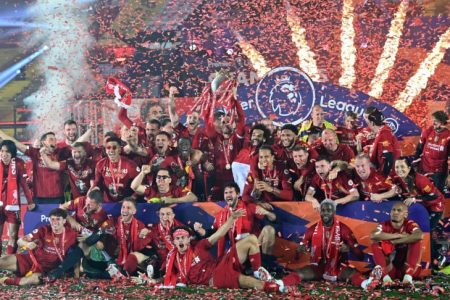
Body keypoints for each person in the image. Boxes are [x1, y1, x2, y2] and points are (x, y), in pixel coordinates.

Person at [163, 213, 289, 293]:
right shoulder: (172, 259)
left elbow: (218, 234)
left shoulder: (199, 246)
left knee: (252, 239)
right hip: (216, 278)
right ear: (174, 242)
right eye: (178, 239)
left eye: (183, 238)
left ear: (188, 239)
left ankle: (257, 271)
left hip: (221, 264)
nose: (180, 240)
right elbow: (166, 275)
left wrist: (231, 219)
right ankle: (276, 286)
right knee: (251, 283)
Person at [294, 200, 379, 290]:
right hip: (317, 267)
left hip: (339, 268)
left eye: (328, 210)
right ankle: (280, 284)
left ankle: (366, 284)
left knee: (351, 273)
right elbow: (296, 257)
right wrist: (298, 251)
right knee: (301, 272)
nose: (325, 213)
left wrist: (349, 249)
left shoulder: (344, 229)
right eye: (323, 210)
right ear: (320, 211)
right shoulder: (312, 229)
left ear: (334, 212)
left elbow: (360, 256)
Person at [195, 182, 276, 259]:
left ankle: (265, 265)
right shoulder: (221, 215)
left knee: (269, 230)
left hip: (255, 246)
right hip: (239, 251)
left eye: (231, 192)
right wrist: (202, 231)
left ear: (237, 194)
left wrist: (267, 213)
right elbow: (215, 233)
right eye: (226, 193)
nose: (228, 195)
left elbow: (273, 218)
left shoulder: (249, 207)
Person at [0, 208, 78, 286]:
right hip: (31, 260)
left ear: (64, 221)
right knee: (3, 260)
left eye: (58, 219)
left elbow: (78, 253)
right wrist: (27, 244)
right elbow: (20, 241)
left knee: (34, 279)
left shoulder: (72, 234)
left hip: (47, 269)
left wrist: (76, 273)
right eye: (52, 219)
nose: (55, 222)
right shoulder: (44, 229)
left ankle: (6, 281)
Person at [391, 157, 444, 265]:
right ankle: (435, 247)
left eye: (402, 167)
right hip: (422, 209)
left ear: (409, 168)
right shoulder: (399, 178)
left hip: (435, 207)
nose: (399, 169)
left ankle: (438, 256)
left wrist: (415, 199)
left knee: (424, 231)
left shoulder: (420, 180)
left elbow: (434, 196)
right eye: (397, 167)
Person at [0, 130, 66, 204]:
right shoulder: (35, 153)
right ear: (43, 142)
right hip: (39, 198)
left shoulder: (61, 153)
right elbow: (17, 143)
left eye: (55, 139)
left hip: (57, 197)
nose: (54, 141)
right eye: (51, 139)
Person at [370, 202, 424, 286]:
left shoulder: (409, 224)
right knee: (375, 242)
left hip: (409, 269)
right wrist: (397, 235)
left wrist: (395, 241)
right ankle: (386, 278)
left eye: (399, 210)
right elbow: (373, 235)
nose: (395, 212)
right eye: (393, 210)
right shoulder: (384, 225)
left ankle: (408, 278)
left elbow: (419, 235)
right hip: (391, 271)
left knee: (416, 240)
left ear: (405, 215)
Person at [0, 140, 34, 255]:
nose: (4, 154)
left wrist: (30, 201)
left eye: (7, 152)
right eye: (2, 151)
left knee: (13, 236)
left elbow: (24, 184)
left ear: (13, 154)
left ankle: (9, 261)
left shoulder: (19, 163)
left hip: (13, 204)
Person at [112, 198, 157, 276]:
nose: (125, 210)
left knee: (132, 257)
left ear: (134, 211)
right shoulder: (115, 222)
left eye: (128, 208)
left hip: (137, 256)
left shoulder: (140, 226)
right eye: (123, 207)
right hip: (120, 256)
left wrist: (146, 233)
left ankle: (147, 270)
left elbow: (143, 245)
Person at [92, 136, 140, 202]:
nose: (111, 150)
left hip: (126, 201)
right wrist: (93, 193)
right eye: (108, 148)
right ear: (106, 150)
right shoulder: (100, 164)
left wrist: (132, 198)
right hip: (107, 201)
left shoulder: (130, 165)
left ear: (120, 150)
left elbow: (140, 185)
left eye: (114, 147)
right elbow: (97, 183)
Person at [415, 111, 450, 192]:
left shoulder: (448, 136)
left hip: (439, 173)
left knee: (437, 195)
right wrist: (415, 164)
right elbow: (419, 149)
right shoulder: (427, 131)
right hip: (424, 169)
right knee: (422, 192)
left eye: (436, 121)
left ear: (442, 122)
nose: (433, 123)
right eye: (433, 120)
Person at [232, 124, 270, 194]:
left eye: (259, 136)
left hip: (253, 191)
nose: (255, 137)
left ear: (264, 139)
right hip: (238, 192)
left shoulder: (265, 154)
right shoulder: (244, 149)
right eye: (254, 135)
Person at [131, 166, 198, 204]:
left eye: (164, 177)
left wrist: (173, 200)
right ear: (156, 180)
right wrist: (143, 173)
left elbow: (193, 198)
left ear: (170, 180)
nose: (161, 179)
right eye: (159, 177)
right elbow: (134, 187)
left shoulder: (177, 189)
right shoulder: (151, 190)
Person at [365, 109, 401, 176]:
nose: (368, 126)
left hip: (389, 174)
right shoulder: (383, 131)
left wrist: (384, 176)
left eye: (368, 123)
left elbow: (388, 156)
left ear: (372, 123)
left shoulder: (384, 133)